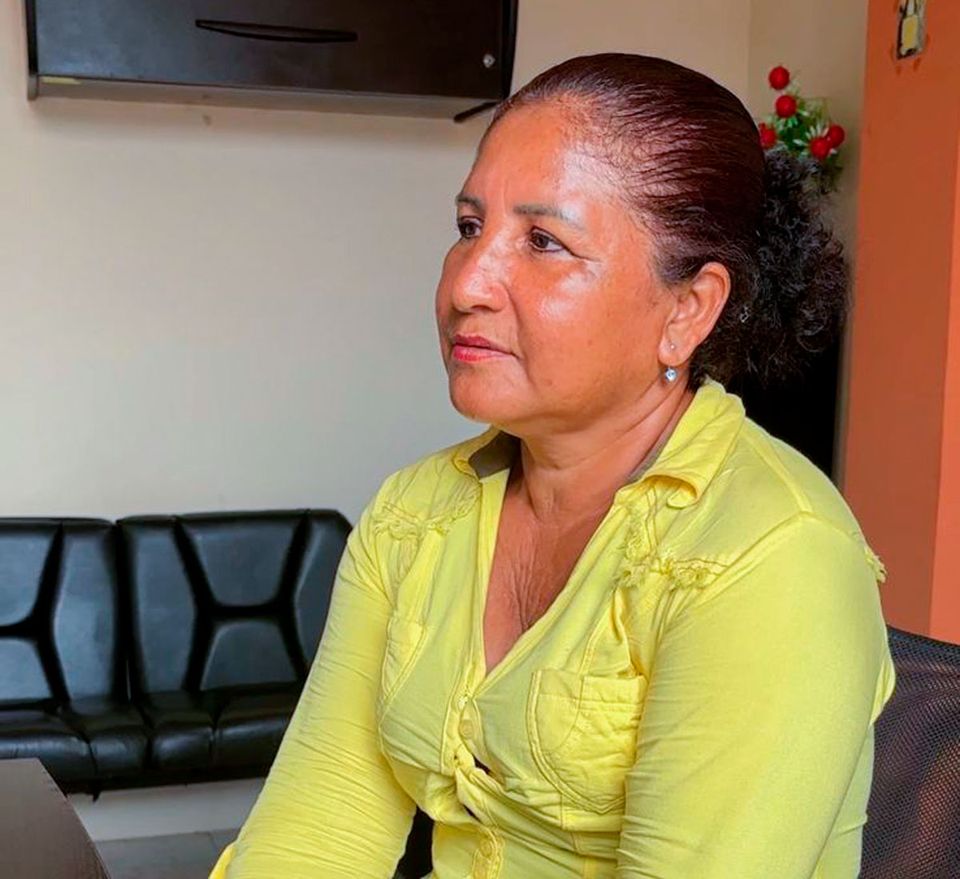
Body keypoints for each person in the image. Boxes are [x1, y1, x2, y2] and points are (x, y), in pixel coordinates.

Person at [210, 53, 896, 879]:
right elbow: (314, 833)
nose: (468, 284)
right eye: (469, 228)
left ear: (686, 311)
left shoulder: (772, 553)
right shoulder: (413, 514)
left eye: (543, 241)